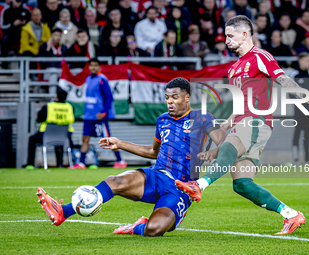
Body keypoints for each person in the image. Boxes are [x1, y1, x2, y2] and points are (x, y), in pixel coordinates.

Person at [175, 15, 309, 235]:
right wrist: (225, 125)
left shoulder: (260, 56)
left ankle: (200, 185)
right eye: (225, 36)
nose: (226, 40)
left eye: (230, 36)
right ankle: (291, 215)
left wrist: (302, 93)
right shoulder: (234, 69)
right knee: (241, 184)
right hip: (243, 122)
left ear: (245, 34)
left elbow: (282, 78)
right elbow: (241, 103)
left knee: (229, 148)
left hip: (256, 121)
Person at [37, 77, 226, 237]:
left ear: (187, 98)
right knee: (115, 181)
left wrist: (212, 153)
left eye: (175, 97)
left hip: (181, 187)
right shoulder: (162, 120)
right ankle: (64, 211)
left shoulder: (202, 117)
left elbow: (224, 144)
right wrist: (120, 144)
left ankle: (137, 227)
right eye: (167, 97)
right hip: (156, 175)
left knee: (154, 229)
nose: (170, 101)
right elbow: (153, 152)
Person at [69, 58, 127, 169]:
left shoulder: (102, 79)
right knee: (85, 139)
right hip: (88, 116)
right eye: (91, 65)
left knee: (108, 140)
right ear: (89, 67)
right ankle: (81, 163)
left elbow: (109, 97)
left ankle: (120, 161)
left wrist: (104, 112)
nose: (93, 67)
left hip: (99, 117)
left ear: (99, 67)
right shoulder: (87, 79)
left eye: (95, 65)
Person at [23, 88, 74, 169]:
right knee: (59, 142)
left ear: (56, 97)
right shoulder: (69, 107)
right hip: (64, 136)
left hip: (46, 136)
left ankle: (30, 164)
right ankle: (59, 164)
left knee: (32, 139)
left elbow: (39, 118)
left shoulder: (49, 106)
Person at [38, 27, 67, 93]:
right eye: (56, 35)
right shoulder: (44, 46)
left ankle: (63, 98)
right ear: (52, 35)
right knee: (53, 73)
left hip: (61, 71)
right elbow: (42, 63)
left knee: (65, 74)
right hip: (48, 71)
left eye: (59, 35)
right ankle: (52, 99)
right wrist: (47, 50)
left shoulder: (63, 47)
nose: (58, 37)